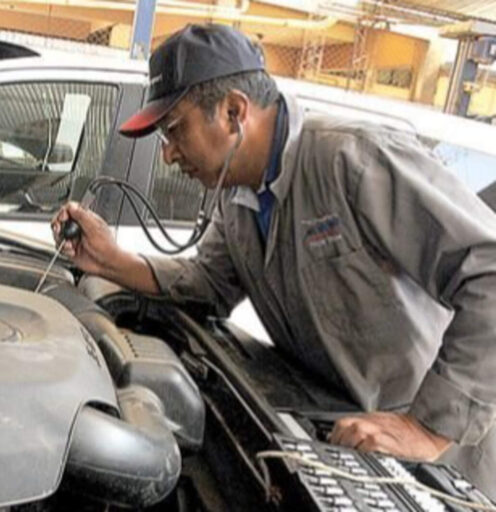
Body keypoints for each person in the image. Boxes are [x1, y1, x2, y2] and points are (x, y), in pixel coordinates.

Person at [51, 23, 496, 498]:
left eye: (175, 130)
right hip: (349, 448)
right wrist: (110, 260)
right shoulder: (238, 196)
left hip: (442, 465)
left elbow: (488, 268)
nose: (168, 154)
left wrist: (426, 428)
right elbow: (208, 285)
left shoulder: (351, 159)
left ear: (234, 112)